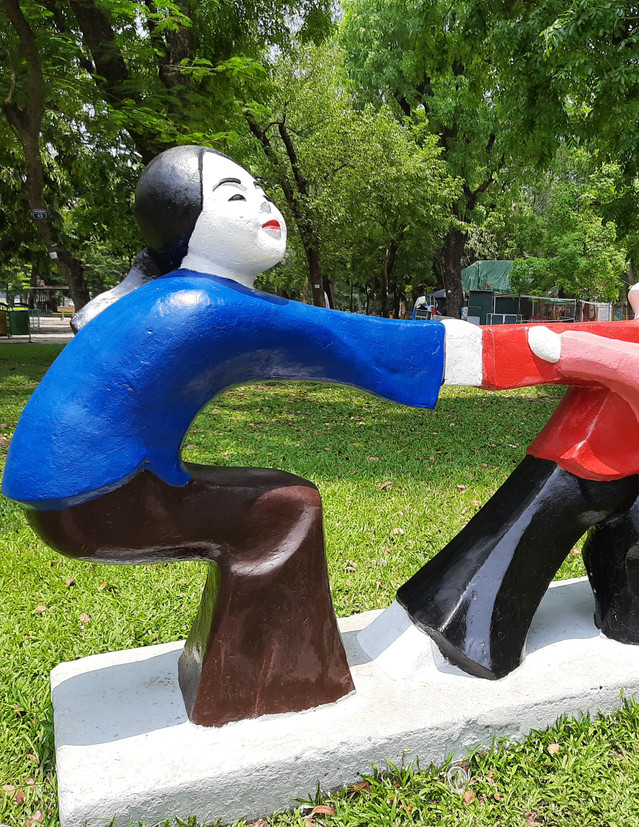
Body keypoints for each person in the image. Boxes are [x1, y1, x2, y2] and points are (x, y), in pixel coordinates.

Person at [1, 145, 478, 726]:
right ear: (187, 227)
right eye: (234, 195)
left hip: (72, 494)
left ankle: (234, 677)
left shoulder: (171, 294)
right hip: (98, 498)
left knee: (275, 502)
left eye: (260, 190)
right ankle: (270, 688)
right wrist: (491, 352)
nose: (262, 204)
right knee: (287, 511)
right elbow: (354, 343)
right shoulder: (207, 303)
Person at [397, 268, 639, 680]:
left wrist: (483, 349)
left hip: (592, 468)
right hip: (637, 480)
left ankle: (472, 636)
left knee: (518, 538)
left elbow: (618, 360)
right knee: (615, 550)